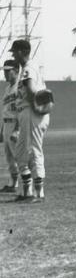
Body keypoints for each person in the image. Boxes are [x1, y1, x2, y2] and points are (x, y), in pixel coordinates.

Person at [9, 39, 50, 203]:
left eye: (14, 52)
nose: (13, 55)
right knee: (20, 154)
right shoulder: (26, 68)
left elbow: (32, 90)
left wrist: (38, 108)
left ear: (20, 52)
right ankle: (27, 191)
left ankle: (38, 193)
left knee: (34, 151)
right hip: (26, 114)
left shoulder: (29, 67)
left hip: (31, 113)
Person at [0, 59, 20, 194]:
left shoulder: (20, 87)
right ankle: (13, 184)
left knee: (19, 156)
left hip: (15, 124)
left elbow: (21, 110)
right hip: (6, 124)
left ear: (16, 71)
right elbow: (5, 110)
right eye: (4, 71)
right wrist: (2, 130)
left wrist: (17, 130)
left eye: (8, 71)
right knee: (9, 157)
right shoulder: (7, 89)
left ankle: (26, 188)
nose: (5, 74)